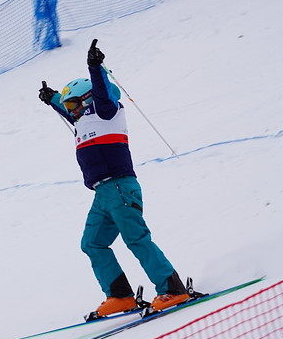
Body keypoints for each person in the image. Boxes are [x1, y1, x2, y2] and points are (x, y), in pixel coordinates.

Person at [38, 39, 190, 320]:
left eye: (73, 103)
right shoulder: (82, 119)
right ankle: (120, 296)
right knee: (92, 244)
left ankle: (172, 288)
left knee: (136, 239)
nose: (70, 109)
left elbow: (102, 94)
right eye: (68, 105)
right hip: (103, 194)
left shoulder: (106, 110)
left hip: (120, 186)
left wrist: (94, 67)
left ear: (87, 99)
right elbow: (68, 110)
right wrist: (53, 99)